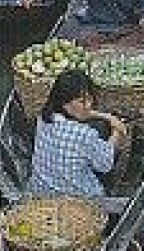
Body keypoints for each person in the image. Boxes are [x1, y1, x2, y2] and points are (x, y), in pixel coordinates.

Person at [30, 69, 129, 198]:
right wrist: (116, 131)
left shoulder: (43, 118)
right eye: (82, 101)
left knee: (99, 127)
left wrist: (108, 117)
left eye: (90, 98)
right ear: (65, 103)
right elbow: (106, 164)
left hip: (41, 191)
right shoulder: (84, 134)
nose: (89, 105)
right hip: (79, 198)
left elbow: (85, 113)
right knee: (106, 149)